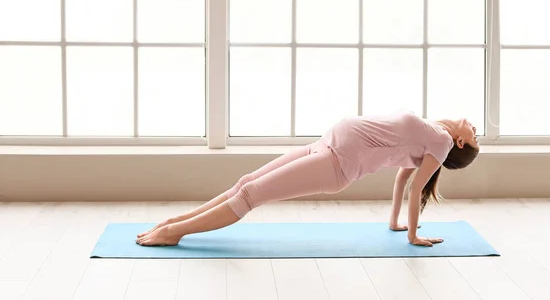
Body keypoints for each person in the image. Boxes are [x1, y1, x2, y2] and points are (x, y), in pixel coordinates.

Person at [136, 110, 479, 247]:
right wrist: (393, 224)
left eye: (474, 135)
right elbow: (403, 179)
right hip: (325, 146)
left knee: (252, 194)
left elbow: (417, 186)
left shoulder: (443, 141)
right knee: (246, 180)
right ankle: (175, 220)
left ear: (459, 144)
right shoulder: (432, 137)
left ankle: (173, 233)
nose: (473, 127)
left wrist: (414, 235)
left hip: (336, 164)